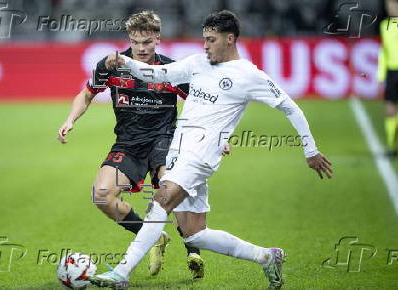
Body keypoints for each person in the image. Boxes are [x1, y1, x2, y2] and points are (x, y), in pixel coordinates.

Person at [93, 10, 333, 289]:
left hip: (201, 156)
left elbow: (290, 107)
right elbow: (157, 73)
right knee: (195, 234)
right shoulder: (198, 62)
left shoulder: (249, 76)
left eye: (211, 39)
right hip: (179, 151)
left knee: (160, 202)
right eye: (204, 39)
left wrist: (310, 150)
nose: (205, 45)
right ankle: (267, 256)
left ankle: (121, 273)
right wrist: (124, 62)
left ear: (230, 39)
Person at [57, 10, 216, 278]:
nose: (141, 49)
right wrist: (70, 120)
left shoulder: (170, 71)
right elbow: (86, 95)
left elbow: (200, 104)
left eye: (147, 43)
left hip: (164, 140)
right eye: (136, 42)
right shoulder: (111, 66)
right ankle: (152, 236)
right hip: (128, 143)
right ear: (129, 39)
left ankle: (193, 250)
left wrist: (214, 136)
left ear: (158, 39)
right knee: (101, 196)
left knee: (170, 190)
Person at [378, 0, 398, 157]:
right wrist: (381, 76)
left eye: (392, 4)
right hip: (391, 73)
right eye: (388, 5)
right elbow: (383, 52)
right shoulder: (384, 25)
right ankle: (392, 146)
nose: (389, 8)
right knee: (390, 110)